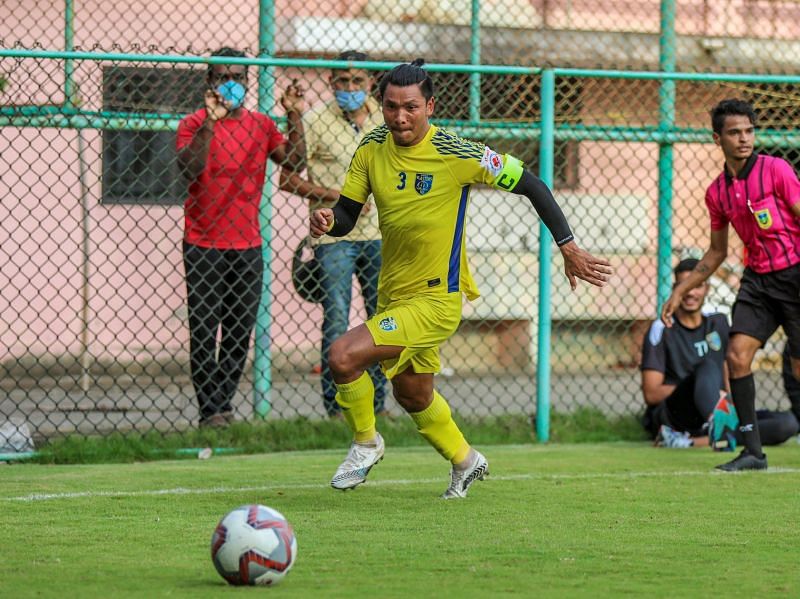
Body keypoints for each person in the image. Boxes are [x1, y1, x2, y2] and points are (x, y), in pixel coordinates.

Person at [308, 59, 612, 498]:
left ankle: (365, 442)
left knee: (342, 355)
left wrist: (568, 246)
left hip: (436, 300)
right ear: (381, 106)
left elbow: (532, 184)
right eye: (391, 107)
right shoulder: (371, 148)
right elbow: (346, 216)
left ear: (430, 105)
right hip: (394, 295)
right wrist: (327, 221)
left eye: (410, 107)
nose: (400, 117)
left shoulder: (458, 153)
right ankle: (467, 461)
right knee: (412, 395)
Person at [662, 98, 800, 470]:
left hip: (795, 273)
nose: (744, 139)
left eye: (749, 131)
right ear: (717, 139)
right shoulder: (717, 193)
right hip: (757, 282)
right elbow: (716, 252)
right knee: (737, 356)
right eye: (735, 132)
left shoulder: (777, 171)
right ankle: (754, 452)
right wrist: (678, 290)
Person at [176, 47, 303, 428]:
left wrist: (294, 114)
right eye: (222, 77)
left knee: (237, 332)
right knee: (204, 331)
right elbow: (190, 169)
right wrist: (211, 123)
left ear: (249, 81)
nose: (231, 84)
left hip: (247, 246)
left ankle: (222, 408)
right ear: (209, 82)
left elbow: (295, 161)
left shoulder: (262, 125)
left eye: (239, 77)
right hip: (202, 244)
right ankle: (209, 410)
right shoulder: (192, 123)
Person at [280, 50, 388, 419]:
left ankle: (378, 403)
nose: (350, 88)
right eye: (342, 81)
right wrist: (342, 200)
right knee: (338, 318)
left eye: (357, 81)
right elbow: (288, 178)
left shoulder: (387, 117)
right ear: (331, 83)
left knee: (382, 319)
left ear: (370, 83)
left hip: (379, 234)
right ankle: (337, 407)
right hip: (333, 237)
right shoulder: (313, 121)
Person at [642, 258, 799, 448]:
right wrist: (701, 390)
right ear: (676, 288)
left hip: (717, 407)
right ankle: (716, 428)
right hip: (677, 415)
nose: (691, 293)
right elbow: (651, 393)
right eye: (684, 286)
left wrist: (728, 401)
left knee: (787, 424)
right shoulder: (662, 328)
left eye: (697, 285)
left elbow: (729, 370)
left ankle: (691, 442)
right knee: (707, 366)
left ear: (707, 288)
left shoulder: (718, 321)